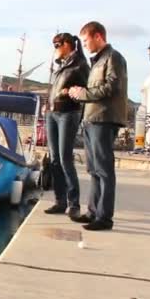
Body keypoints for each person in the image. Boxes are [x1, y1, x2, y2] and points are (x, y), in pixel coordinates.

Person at [68, 21, 128, 231]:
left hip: (104, 119)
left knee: (104, 170)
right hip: (92, 119)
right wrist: (80, 92)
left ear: (98, 36)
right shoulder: (98, 61)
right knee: (94, 169)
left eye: (86, 41)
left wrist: (82, 94)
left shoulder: (113, 58)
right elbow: (98, 89)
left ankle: (104, 218)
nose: (85, 45)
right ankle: (93, 212)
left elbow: (112, 87)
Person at [43, 33, 89, 219]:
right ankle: (59, 201)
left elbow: (87, 92)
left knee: (65, 159)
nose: (55, 48)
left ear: (67, 44)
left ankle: (74, 203)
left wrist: (69, 92)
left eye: (57, 45)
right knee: (54, 159)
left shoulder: (81, 65)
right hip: (52, 114)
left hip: (68, 114)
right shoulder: (62, 66)